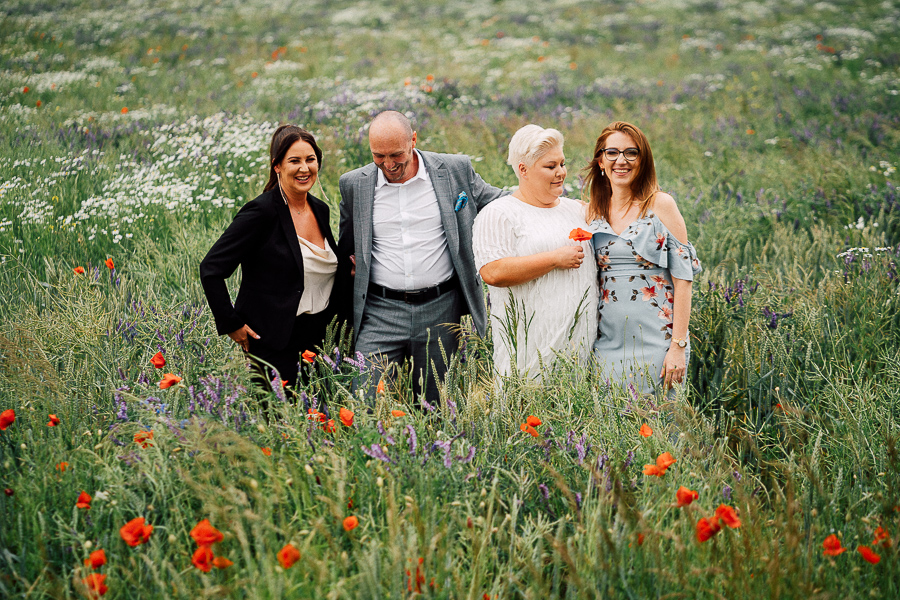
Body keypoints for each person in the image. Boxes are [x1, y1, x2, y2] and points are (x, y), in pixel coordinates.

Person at [337, 111, 506, 404]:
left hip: (440, 310)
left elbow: (499, 202)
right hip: (380, 312)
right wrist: (350, 266)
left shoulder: (454, 169)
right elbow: (346, 241)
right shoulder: (354, 184)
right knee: (365, 402)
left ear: (413, 140)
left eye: (396, 155)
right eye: (378, 156)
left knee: (437, 406)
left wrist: (560, 207)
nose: (388, 164)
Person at [200, 125, 350, 389]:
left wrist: (350, 270)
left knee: (321, 412)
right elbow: (211, 268)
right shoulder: (261, 212)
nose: (304, 168)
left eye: (310, 159)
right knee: (280, 414)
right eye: (294, 161)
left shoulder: (320, 209)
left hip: (321, 339)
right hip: (274, 342)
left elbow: (319, 266)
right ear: (277, 166)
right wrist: (231, 323)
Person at [584, 121, 701, 394]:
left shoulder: (660, 204)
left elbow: (683, 279)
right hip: (607, 343)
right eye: (612, 153)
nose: (621, 160)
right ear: (600, 161)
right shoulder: (592, 212)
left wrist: (678, 346)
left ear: (642, 161)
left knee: (660, 419)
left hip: (659, 342)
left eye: (631, 153)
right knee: (609, 418)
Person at [472, 124, 598, 380]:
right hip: (528, 357)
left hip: (583, 356)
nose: (561, 172)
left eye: (562, 164)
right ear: (523, 169)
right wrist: (554, 259)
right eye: (550, 166)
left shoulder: (576, 209)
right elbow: (493, 272)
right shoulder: (500, 214)